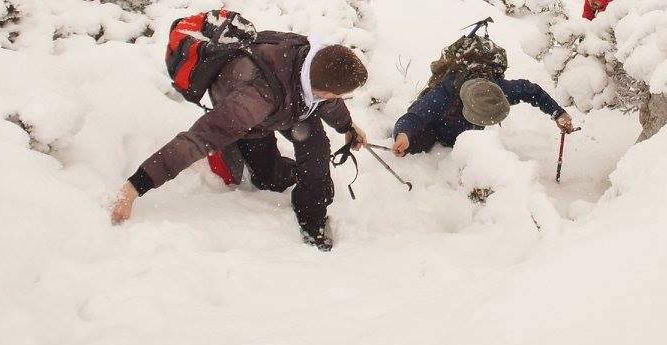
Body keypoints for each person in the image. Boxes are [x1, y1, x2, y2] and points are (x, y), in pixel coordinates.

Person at [111, 35, 369, 251]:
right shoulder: (254, 101)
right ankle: (240, 153)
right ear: (322, 89)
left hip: (290, 107)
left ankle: (312, 214)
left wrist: (346, 126)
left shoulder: (315, 62)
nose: (337, 97)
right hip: (252, 120)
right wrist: (136, 186)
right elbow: (198, 139)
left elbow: (327, 99)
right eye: (337, 94)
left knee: (316, 152)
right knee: (269, 179)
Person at [392, 75, 574, 156]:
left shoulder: (496, 91)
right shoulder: (444, 94)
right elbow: (416, 116)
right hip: (440, 127)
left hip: (468, 134)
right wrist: (403, 134)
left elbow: (530, 90)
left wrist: (558, 113)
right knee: (415, 144)